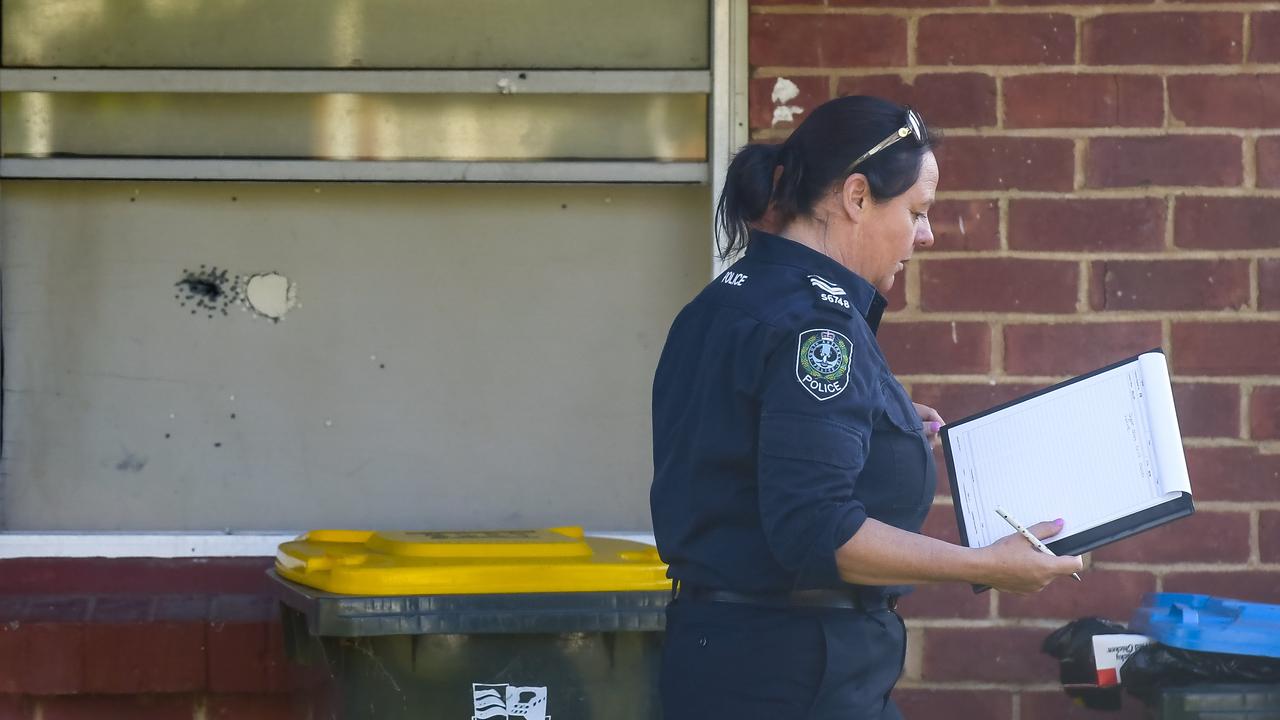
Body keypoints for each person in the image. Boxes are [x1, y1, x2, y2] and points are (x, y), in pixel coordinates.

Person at [649, 96, 1084, 720]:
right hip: (795, 672)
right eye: (916, 211)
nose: (926, 234)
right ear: (857, 197)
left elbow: (747, 449)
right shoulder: (817, 328)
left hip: (730, 656)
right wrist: (983, 565)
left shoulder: (724, 298)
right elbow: (818, 530)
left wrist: (883, 425)